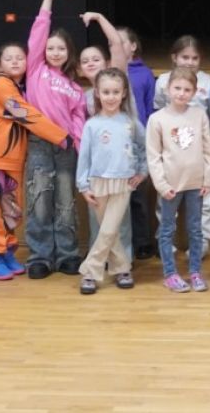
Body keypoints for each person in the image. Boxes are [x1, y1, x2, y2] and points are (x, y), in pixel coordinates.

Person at [0, 43, 68, 281]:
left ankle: (6, 252)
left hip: (11, 160)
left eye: (20, 58)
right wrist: (61, 136)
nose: (15, 62)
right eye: (9, 58)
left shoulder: (20, 88)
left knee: (9, 210)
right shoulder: (0, 84)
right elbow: (25, 114)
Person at [23, 0, 88, 279]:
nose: (55, 52)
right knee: (39, 200)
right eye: (50, 48)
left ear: (69, 52)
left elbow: (78, 121)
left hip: (66, 148)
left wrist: (79, 146)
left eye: (61, 48)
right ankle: (39, 257)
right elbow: (39, 32)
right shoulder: (36, 69)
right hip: (39, 143)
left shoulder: (74, 87)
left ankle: (67, 254)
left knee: (64, 202)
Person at [76, 69, 148, 294]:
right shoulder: (92, 125)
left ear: (124, 93)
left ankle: (90, 271)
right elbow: (84, 157)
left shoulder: (131, 123)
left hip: (123, 183)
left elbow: (145, 148)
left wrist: (142, 172)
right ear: (97, 93)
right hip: (97, 182)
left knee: (109, 229)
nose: (111, 97)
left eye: (116, 92)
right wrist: (83, 185)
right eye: (106, 92)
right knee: (109, 231)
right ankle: (122, 268)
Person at [146, 68, 210, 292]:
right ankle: (170, 273)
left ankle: (195, 271)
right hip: (170, 186)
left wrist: (208, 179)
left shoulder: (199, 115)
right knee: (167, 229)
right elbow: (153, 156)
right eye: (177, 88)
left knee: (195, 230)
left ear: (194, 92)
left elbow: (208, 150)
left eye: (187, 89)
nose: (181, 93)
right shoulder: (157, 119)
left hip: (196, 184)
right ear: (168, 89)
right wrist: (162, 185)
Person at [116, 25, 157, 260]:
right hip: (116, 142)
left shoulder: (145, 74)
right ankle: (121, 243)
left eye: (123, 41)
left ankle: (142, 241)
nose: (118, 46)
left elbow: (150, 107)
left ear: (133, 46)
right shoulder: (111, 71)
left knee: (138, 196)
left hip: (138, 142)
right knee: (118, 197)